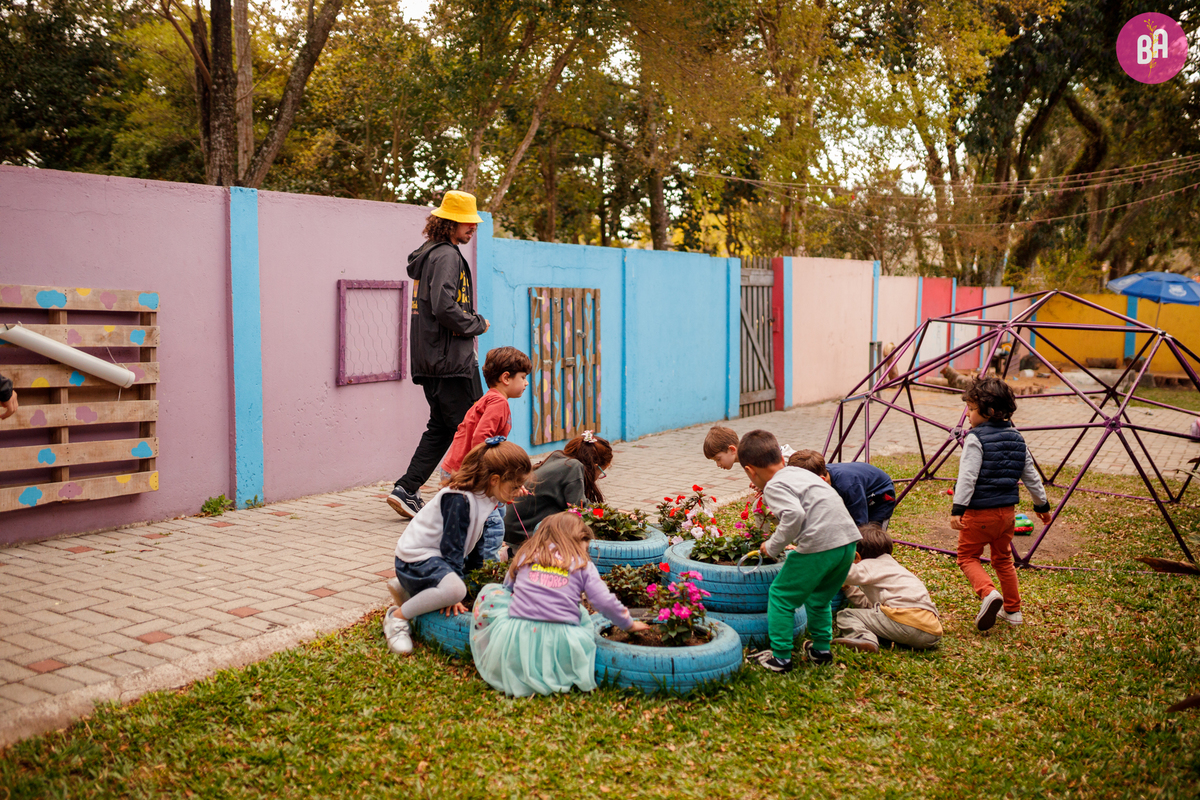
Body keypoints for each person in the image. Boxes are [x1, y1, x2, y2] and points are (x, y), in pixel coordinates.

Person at [387, 190, 490, 519]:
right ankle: (474, 499)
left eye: (473, 223)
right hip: (450, 361)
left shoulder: (430, 254)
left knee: (443, 427)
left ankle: (407, 488)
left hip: (432, 358)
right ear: (448, 223)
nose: (472, 228)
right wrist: (475, 324)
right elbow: (445, 306)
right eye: (465, 223)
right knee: (474, 428)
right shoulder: (446, 255)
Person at [469, 512, 650, 696]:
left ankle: (518, 665)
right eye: (584, 547)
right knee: (582, 614)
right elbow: (604, 601)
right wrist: (628, 623)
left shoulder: (526, 555)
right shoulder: (583, 565)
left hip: (518, 634)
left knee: (494, 592)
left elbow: (508, 587)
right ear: (578, 539)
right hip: (564, 637)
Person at [382, 438, 532, 656]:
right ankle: (397, 618)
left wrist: (475, 575)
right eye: (515, 486)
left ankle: (412, 590)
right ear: (495, 479)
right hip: (414, 560)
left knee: (470, 583)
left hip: (434, 558)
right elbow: (452, 547)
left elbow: (476, 541)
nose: (519, 490)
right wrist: (455, 595)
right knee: (455, 589)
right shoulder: (460, 499)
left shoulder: (487, 495)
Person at [740, 430, 861, 672]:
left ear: (750, 471)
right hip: (848, 542)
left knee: (781, 596)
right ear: (782, 459)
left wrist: (772, 546)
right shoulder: (798, 473)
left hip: (820, 544)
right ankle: (820, 649)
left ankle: (781, 658)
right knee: (819, 598)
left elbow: (794, 515)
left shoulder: (773, 486)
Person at [951, 376, 1052, 632]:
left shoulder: (976, 438)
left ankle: (988, 593)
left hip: (978, 514)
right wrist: (1042, 506)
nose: (968, 414)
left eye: (972, 409)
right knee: (1003, 560)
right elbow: (1030, 474)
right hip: (1007, 516)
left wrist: (957, 509)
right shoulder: (1018, 438)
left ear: (989, 412)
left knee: (967, 556)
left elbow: (968, 477)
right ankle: (1013, 610)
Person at [432, 346, 531, 560]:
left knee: (486, 517)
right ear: (506, 377)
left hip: (457, 469)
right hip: (469, 472)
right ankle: (487, 572)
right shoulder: (499, 402)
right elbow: (481, 439)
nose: (526, 383)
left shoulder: (489, 398)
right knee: (492, 526)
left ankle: (470, 565)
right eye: (523, 377)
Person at [833, 523, 943, 653]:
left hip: (905, 622)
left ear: (857, 556)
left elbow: (843, 573)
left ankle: (864, 639)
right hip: (931, 632)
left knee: (847, 614)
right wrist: (848, 589)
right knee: (876, 615)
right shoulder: (895, 569)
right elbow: (870, 607)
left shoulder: (869, 565)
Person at [503, 430, 612, 548]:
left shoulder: (558, 458)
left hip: (513, 530)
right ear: (595, 466)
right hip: (524, 535)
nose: (598, 477)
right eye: (602, 472)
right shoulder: (572, 467)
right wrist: (609, 515)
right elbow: (579, 510)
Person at [787, 450, 896, 529]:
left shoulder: (848, 487)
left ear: (821, 479)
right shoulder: (818, 477)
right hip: (857, 488)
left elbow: (860, 523)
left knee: (870, 537)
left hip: (879, 495)